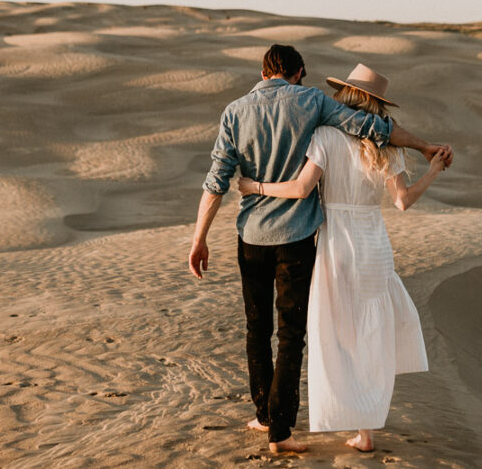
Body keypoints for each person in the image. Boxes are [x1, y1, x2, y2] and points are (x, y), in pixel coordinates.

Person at [188, 45, 451, 455]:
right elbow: (378, 143)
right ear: (297, 73)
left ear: (263, 70)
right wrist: (424, 149)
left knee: (265, 330)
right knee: (310, 333)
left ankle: (266, 415)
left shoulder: (243, 113)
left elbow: (219, 180)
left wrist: (201, 236)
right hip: (328, 241)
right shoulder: (317, 106)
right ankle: (309, 430)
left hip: (273, 237)